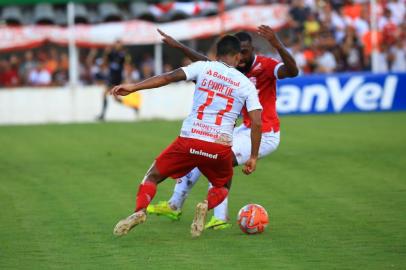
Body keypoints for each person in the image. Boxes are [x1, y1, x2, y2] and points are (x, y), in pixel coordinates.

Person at [147, 25, 298, 230]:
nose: (242, 57)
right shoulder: (230, 69)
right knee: (197, 151)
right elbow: (205, 63)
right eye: (239, 52)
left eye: (246, 51)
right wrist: (178, 46)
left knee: (217, 160)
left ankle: (220, 218)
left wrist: (276, 43)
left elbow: (292, 71)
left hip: (264, 133)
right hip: (243, 129)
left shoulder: (266, 66)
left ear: (251, 50)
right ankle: (174, 205)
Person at [112, 35, 263, 238]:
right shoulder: (246, 84)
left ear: (216, 54)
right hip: (219, 146)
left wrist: (133, 87)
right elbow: (257, 122)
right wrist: (253, 156)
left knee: (153, 176)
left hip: (189, 140)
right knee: (223, 185)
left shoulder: (202, 67)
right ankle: (206, 205)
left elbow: (167, 77)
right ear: (237, 57)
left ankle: (140, 210)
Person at [97, 40, 130, 121]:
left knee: (110, 96)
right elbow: (104, 62)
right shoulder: (111, 53)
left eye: (119, 44)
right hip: (111, 78)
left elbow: (126, 65)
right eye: (116, 43)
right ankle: (102, 115)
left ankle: (102, 115)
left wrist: (126, 78)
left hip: (118, 78)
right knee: (110, 96)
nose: (117, 45)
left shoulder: (123, 54)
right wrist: (106, 53)